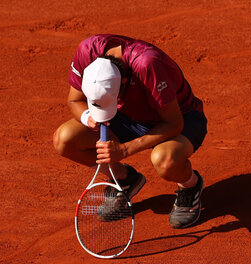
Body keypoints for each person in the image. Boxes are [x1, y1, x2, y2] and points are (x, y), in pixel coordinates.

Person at [53, 34, 208, 228]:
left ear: (124, 82)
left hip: (179, 118)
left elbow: (174, 123)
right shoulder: (87, 52)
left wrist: (124, 150)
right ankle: (124, 180)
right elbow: (74, 100)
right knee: (64, 139)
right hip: (126, 116)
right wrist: (88, 118)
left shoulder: (147, 65)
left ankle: (190, 186)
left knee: (165, 160)